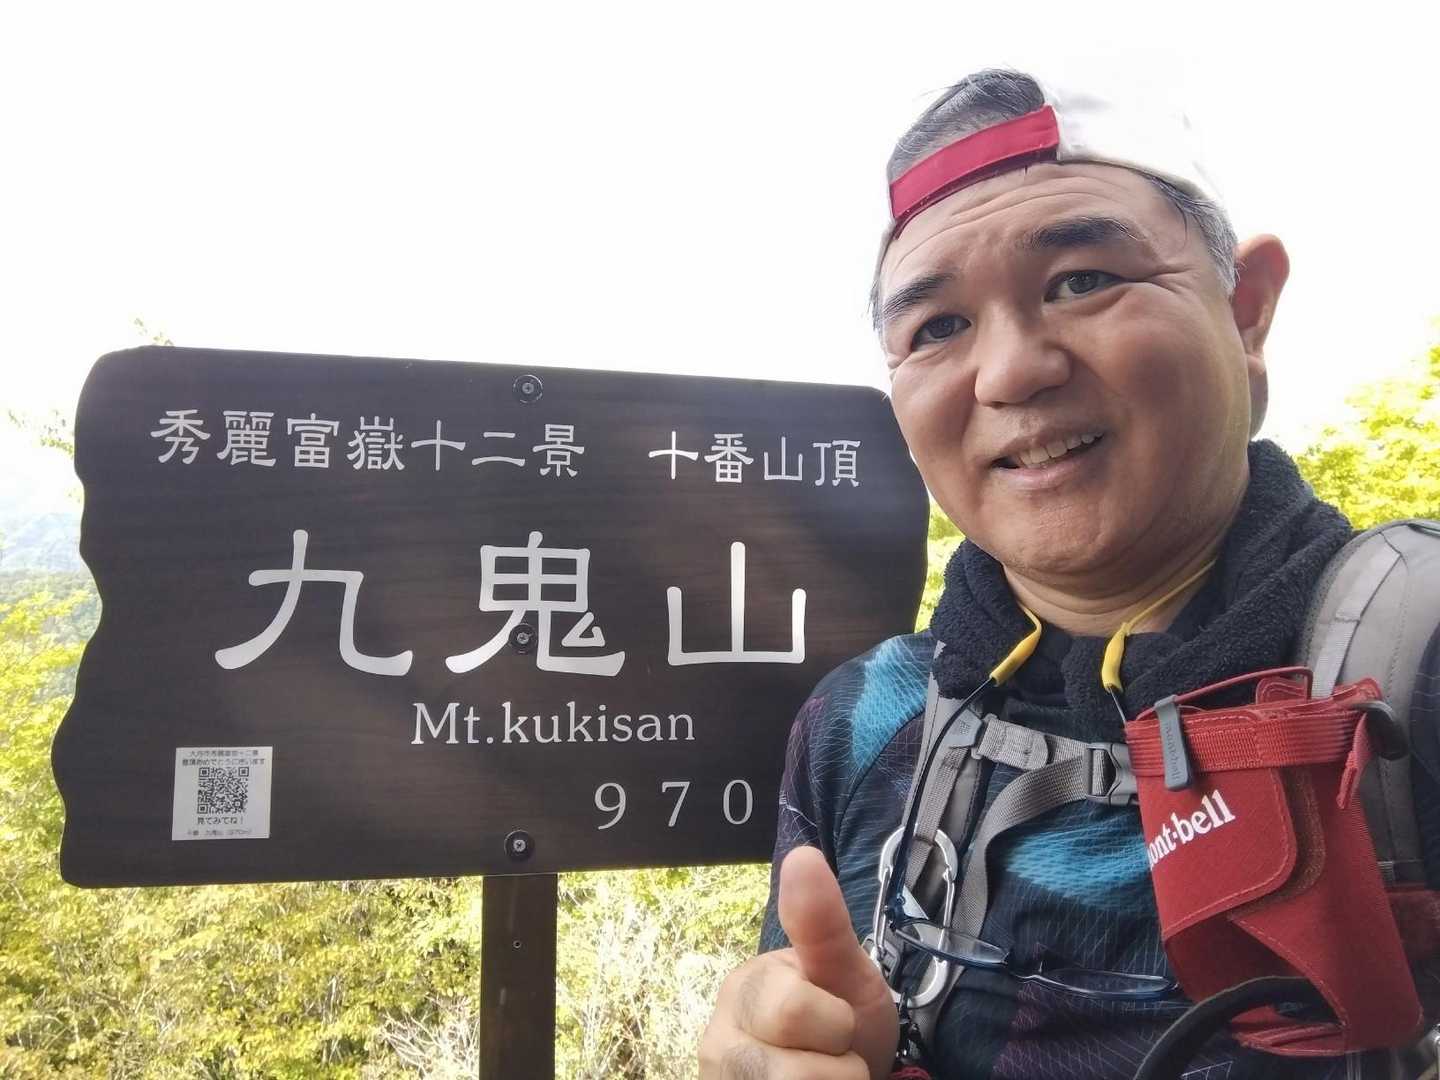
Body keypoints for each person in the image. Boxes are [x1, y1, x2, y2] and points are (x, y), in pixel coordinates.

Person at [698, 69, 1438, 1079]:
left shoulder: (1419, 669)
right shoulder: (862, 721)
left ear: (1246, 310)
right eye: (937, 328)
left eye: (1082, 280)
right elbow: (810, 1002)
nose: (1009, 371)